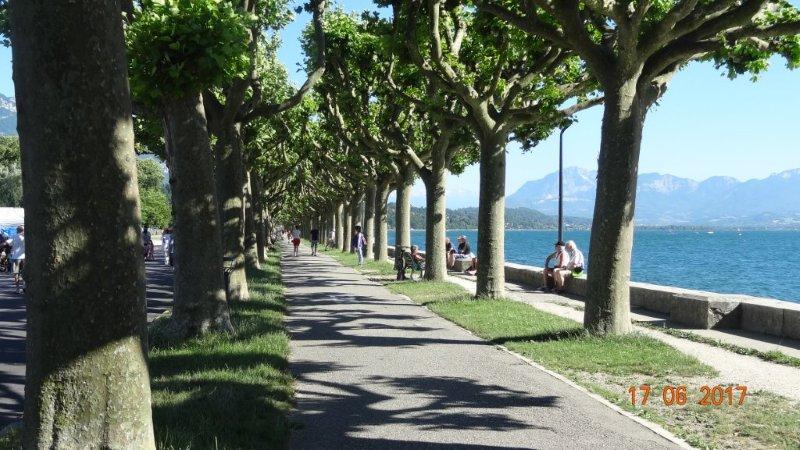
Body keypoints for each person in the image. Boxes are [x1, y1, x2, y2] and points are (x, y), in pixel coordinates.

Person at [7, 226, 25, 293]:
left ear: (17, 230)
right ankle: (24, 286)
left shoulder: (13, 236)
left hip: (15, 257)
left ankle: (17, 289)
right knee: (24, 272)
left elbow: (8, 243)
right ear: (23, 230)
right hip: (24, 257)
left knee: (16, 273)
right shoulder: (25, 236)